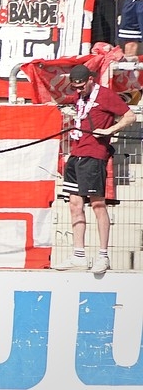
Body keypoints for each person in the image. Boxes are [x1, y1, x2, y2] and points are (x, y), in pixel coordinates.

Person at [58, 64, 135, 273]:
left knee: (97, 204)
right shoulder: (79, 97)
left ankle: (103, 255)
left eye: (81, 86)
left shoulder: (106, 95)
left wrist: (110, 130)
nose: (79, 90)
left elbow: (130, 116)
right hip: (76, 153)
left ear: (91, 79)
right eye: (75, 87)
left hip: (94, 154)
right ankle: (78, 255)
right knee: (74, 204)